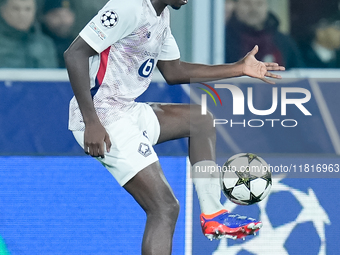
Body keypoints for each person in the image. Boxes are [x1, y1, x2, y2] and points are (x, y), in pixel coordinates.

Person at [64, 0, 284, 254]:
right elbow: (75, 53)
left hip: (125, 109)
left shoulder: (161, 16)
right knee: (164, 207)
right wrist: (91, 120)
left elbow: (173, 70)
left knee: (199, 119)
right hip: (102, 115)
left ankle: (213, 214)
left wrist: (239, 68)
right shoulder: (128, 6)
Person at [225, 0, 304, 69]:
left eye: (259, 4)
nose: (253, 9)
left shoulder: (284, 42)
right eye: (247, 3)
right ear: (236, 6)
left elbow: (299, 74)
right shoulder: (223, 41)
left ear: (266, 6)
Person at [0, 0, 58, 68]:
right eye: (15, 9)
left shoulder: (46, 44)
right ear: (2, 10)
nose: (22, 14)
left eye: (28, 9)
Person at [41, 0, 75, 68]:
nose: (63, 20)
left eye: (66, 15)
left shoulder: (77, 44)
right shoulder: (40, 44)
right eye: (56, 15)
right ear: (44, 17)